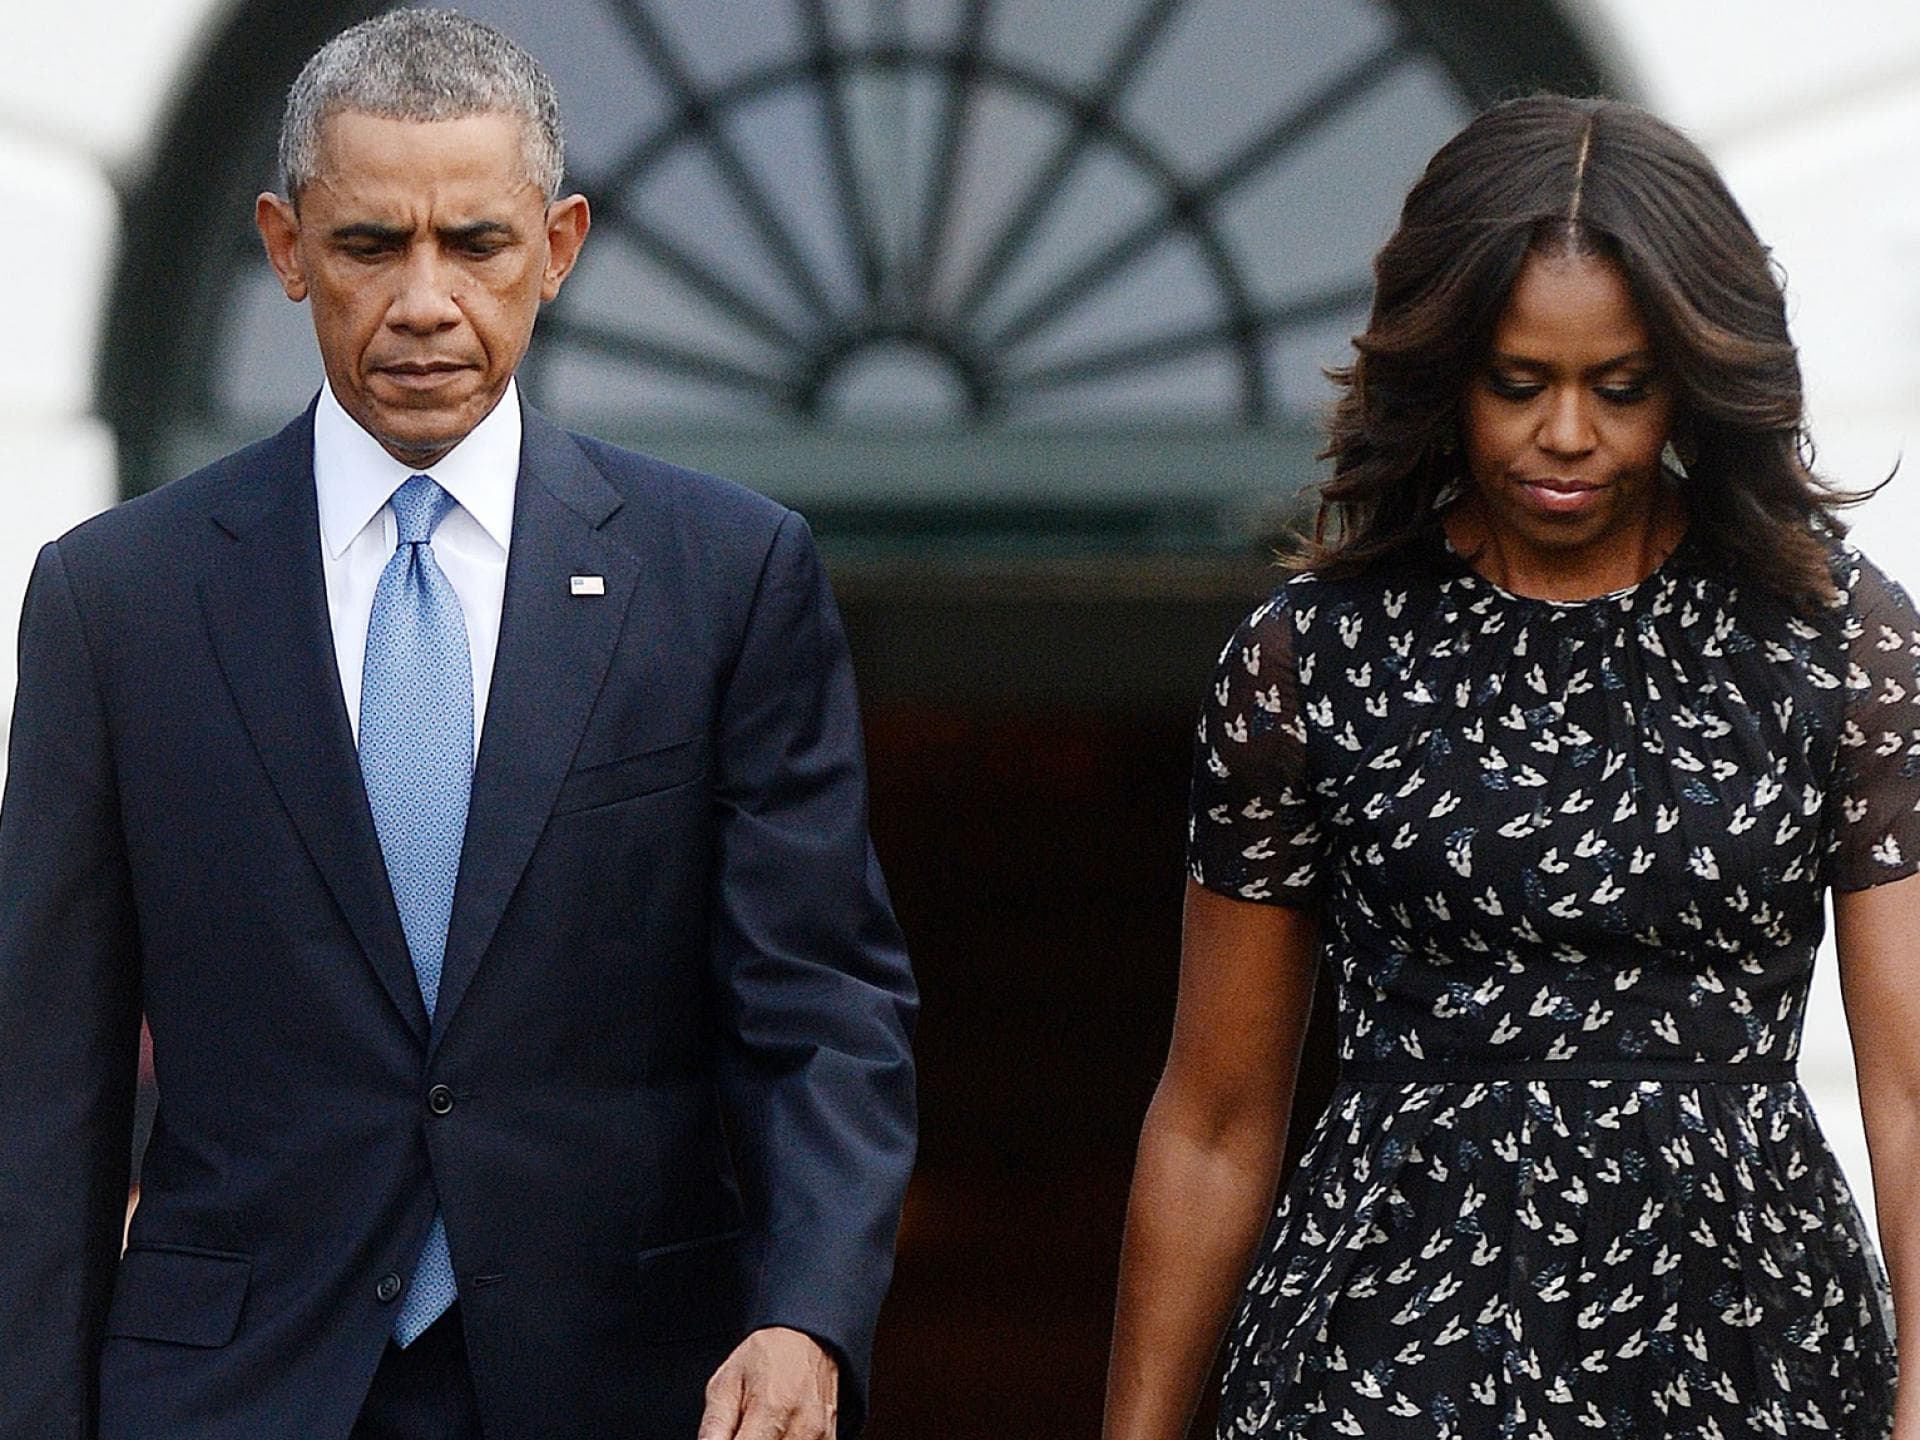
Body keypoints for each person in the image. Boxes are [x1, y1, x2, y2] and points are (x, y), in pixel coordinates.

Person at [0, 11, 916, 1440]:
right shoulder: (115, 598)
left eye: (475, 245)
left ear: (557, 247)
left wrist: (807, 1314)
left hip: (626, 1382)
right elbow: (44, 1077)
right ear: (285, 246)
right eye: (371, 246)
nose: (425, 300)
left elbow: (817, 1006)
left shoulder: (724, 575)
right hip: (231, 1393)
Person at [1104, 94, 1920, 1440]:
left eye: (1620, 385)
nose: (1566, 436)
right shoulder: (1312, 658)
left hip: (1741, 1352)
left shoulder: (1835, 642)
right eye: (1518, 380)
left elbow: (1906, 1085)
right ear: (1444, 365)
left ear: (1691, 376)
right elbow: (1213, 1119)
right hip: (1382, 1355)